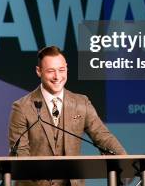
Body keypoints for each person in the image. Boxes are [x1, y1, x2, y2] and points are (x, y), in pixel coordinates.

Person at [8, 45, 126, 186]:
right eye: (51, 71)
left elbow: (104, 137)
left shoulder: (82, 103)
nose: (57, 76)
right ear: (39, 71)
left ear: (67, 69)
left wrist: (126, 161)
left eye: (61, 70)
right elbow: (20, 155)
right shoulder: (21, 107)